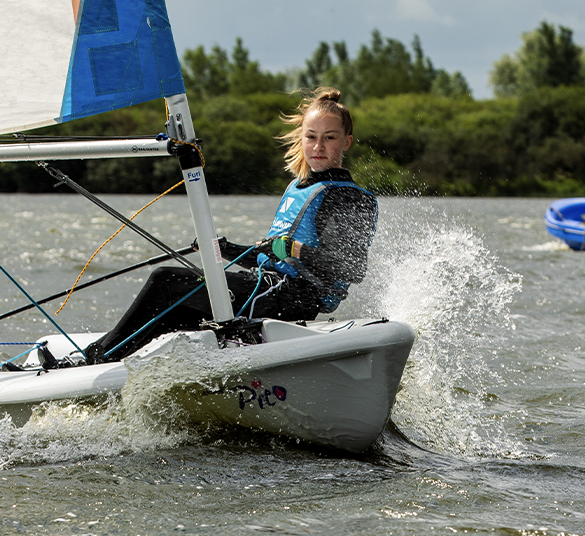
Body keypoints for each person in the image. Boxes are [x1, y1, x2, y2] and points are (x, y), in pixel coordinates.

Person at [85, 87, 377, 364]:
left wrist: (292, 248)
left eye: (330, 138)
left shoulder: (346, 196)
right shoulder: (299, 187)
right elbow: (271, 255)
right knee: (177, 309)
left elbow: (352, 268)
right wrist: (223, 248)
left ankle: (100, 355)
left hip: (293, 298)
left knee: (167, 281)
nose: (318, 146)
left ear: (347, 142)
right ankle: (107, 362)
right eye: (311, 137)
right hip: (270, 288)